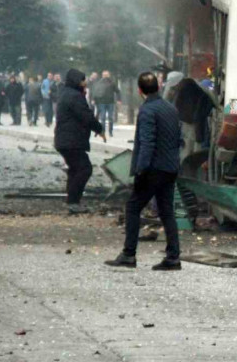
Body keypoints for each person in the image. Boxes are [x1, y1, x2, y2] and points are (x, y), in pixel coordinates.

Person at [105, 72, 182, 271]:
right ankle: (173, 257)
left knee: (132, 207)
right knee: (167, 212)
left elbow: (147, 143)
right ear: (158, 86)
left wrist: (140, 170)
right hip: (170, 167)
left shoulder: (147, 111)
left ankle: (129, 254)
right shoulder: (170, 108)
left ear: (140, 91)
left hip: (153, 169)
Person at [54, 69, 106, 213]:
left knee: (75, 170)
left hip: (65, 140)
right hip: (71, 140)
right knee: (85, 169)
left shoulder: (66, 93)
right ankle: (73, 202)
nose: (85, 82)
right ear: (76, 81)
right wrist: (99, 129)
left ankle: (72, 202)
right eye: (82, 80)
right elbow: (86, 116)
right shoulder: (75, 96)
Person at [94, 70, 121, 138]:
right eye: (104, 75)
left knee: (110, 118)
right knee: (102, 117)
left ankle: (110, 131)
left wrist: (119, 99)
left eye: (107, 75)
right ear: (102, 76)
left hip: (110, 102)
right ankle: (103, 131)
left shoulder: (112, 83)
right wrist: (94, 100)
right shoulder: (99, 83)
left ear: (109, 75)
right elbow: (95, 92)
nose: (105, 77)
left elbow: (117, 91)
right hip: (101, 102)